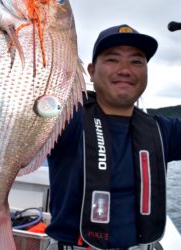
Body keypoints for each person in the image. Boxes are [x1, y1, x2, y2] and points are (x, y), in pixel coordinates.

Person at [45, 24, 181, 250]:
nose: (125, 69)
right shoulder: (63, 119)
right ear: (90, 70)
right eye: (112, 59)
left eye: (137, 61)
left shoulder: (164, 130)